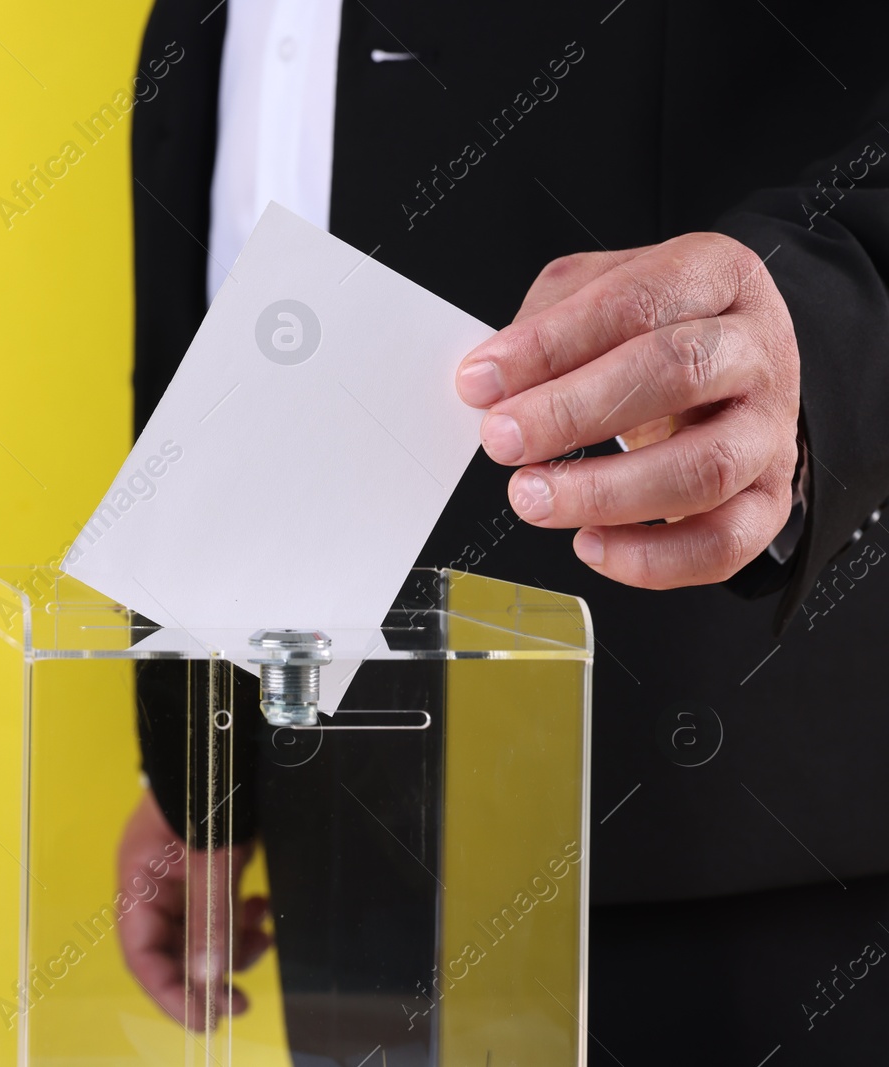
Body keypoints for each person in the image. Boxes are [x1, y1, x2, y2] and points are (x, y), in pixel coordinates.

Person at [115, 1, 889, 1062]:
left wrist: (814, 331)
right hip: (335, 839)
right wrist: (203, 755)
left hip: (729, 863)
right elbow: (257, 230)